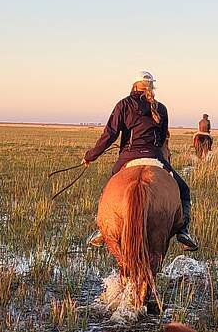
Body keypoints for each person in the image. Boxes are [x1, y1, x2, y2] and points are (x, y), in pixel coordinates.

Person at [84, 71, 199, 251]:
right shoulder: (160, 108)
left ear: (134, 85)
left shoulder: (123, 105)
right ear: (151, 87)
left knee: (109, 188)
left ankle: (102, 230)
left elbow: (110, 134)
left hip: (128, 156)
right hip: (155, 156)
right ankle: (183, 231)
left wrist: (90, 155)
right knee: (184, 189)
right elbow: (161, 139)